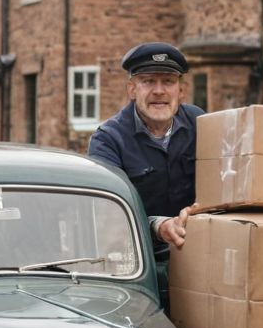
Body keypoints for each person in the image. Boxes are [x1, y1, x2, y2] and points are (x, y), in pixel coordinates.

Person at [87, 41, 203, 255]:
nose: (159, 91)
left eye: (168, 81)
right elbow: (109, 215)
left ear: (181, 91)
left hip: (196, 250)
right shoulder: (108, 140)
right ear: (132, 89)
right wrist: (158, 226)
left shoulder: (201, 123)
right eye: (148, 81)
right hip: (139, 260)